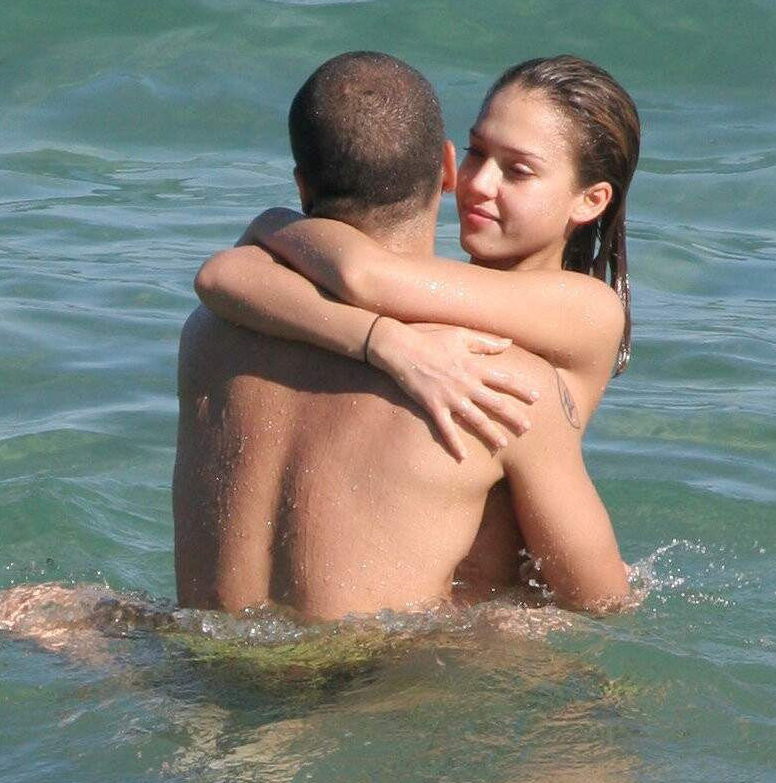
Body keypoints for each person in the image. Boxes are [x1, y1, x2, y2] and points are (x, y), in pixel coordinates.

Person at [175, 51, 636, 621]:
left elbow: (361, 275)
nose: (478, 183)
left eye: (518, 171)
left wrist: (274, 225)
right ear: (448, 162)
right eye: (476, 152)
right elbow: (224, 276)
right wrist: (384, 342)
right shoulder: (448, 321)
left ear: (591, 200)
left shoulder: (586, 310)